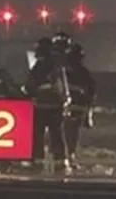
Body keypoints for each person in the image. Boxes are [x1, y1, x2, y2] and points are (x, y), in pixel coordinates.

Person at [24, 37, 69, 173]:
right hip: (55, 107)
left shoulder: (38, 67)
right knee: (56, 134)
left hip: (40, 107)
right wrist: (65, 101)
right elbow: (62, 86)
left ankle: (37, 161)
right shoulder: (57, 66)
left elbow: (29, 86)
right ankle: (60, 162)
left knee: (38, 134)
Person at [62, 42, 96, 169]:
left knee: (70, 133)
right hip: (72, 107)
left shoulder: (72, 72)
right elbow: (91, 92)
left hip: (73, 108)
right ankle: (69, 155)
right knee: (70, 133)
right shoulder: (77, 73)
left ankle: (68, 155)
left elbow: (90, 92)